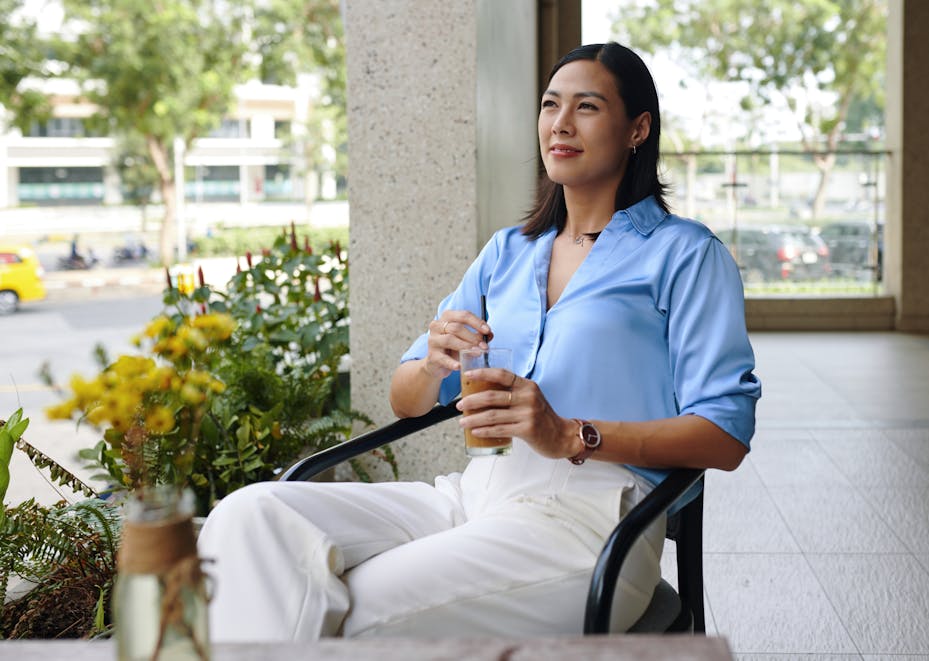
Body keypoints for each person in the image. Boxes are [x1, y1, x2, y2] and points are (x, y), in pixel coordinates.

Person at [197, 42, 761, 641]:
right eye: (550, 105)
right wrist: (430, 361)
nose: (560, 124)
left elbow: (725, 436)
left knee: (346, 608)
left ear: (637, 129)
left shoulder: (686, 256)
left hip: (593, 519)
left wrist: (570, 434)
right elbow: (406, 399)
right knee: (246, 518)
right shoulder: (508, 253)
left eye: (587, 107)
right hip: (475, 493)